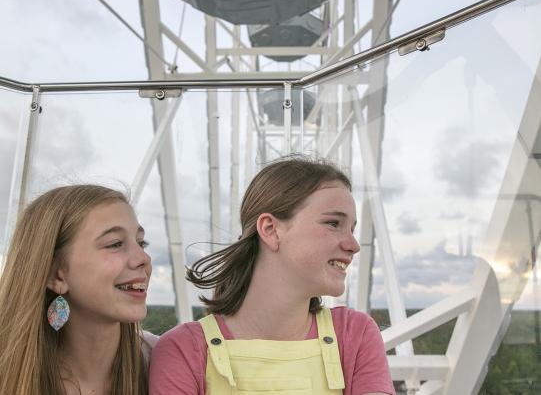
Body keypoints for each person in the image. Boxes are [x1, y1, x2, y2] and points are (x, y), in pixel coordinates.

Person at [150, 156, 395, 395]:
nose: (353, 244)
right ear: (270, 229)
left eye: (352, 229)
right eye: (333, 223)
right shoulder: (183, 350)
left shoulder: (356, 334)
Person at [0, 185, 154, 395]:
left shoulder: (169, 362)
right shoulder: (7, 371)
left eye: (141, 242)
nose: (144, 259)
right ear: (56, 275)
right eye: (115, 244)